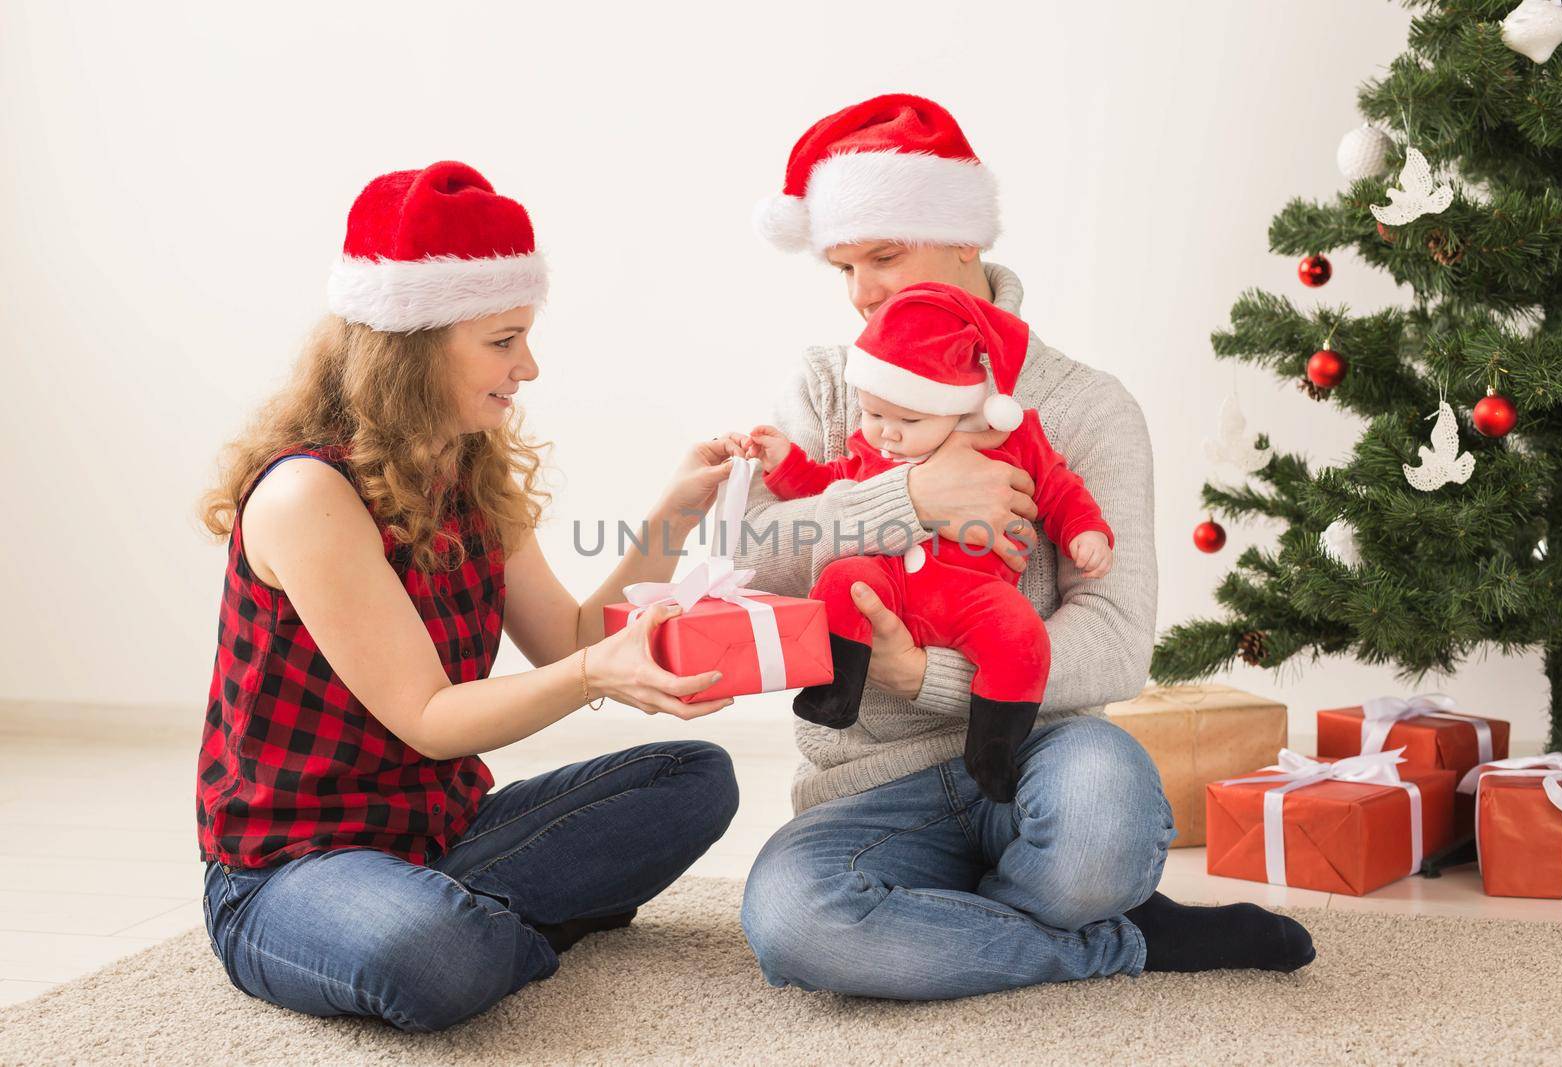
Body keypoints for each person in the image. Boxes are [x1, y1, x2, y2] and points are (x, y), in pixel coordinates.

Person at [734, 94, 1315, 999]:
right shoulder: (828, 384)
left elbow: (1121, 637)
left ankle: (1005, 914)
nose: (863, 291)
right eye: (844, 265)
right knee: (792, 923)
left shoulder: (1085, 405)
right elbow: (754, 564)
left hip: (1044, 757)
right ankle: (1111, 940)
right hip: (872, 788)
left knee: (1096, 829)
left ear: (963, 238)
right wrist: (906, 495)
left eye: (884, 256)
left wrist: (923, 674)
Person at [194, 161, 742, 1031]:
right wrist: (600, 671)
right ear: (410, 345)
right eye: (502, 339)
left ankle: (475, 916)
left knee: (696, 777)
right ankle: (485, 926)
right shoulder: (309, 496)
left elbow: (565, 639)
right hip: (291, 865)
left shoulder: (470, 468)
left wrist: (675, 515)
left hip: (443, 835)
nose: (528, 365)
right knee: (427, 955)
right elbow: (430, 715)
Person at [739, 281, 1114, 804]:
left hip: (973, 592)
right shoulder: (874, 450)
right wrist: (786, 466)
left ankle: (994, 747)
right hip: (888, 580)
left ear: (957, 407)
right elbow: (828, 484)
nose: (886, 434)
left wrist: (1086, 532)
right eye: (873, 415)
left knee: (1021, 638)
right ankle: (835, 692)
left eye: (908, 421)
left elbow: (1058, 489)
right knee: (843, 579)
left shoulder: (1013, 442)